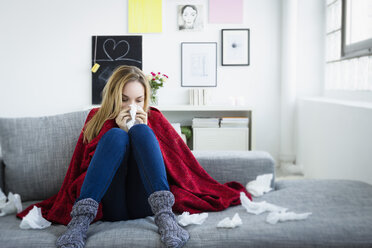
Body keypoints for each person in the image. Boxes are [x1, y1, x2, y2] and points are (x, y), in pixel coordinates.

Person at [17, 65, 251, 248]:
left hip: (145, 202)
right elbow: (83, 165)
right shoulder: (95, 118)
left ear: (145, 100)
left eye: (138, 100)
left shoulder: (155, 118)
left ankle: (165, 218)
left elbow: (178, 163)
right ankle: (80, 223)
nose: (131, 106)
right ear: (113, 97)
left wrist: (144, 132)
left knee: (141, 130)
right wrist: (115, 129)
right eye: (125, 99)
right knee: (116, 138)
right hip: (110, 203)